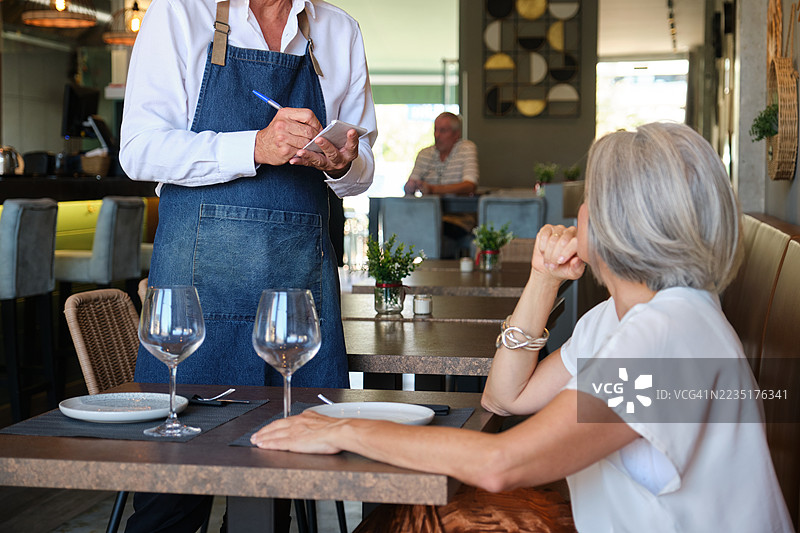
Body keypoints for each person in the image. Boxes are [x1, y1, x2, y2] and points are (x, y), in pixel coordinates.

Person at [251, 123, 794, 532]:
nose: (575, 216)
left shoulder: (669, 337)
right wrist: (542, 280)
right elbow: (505, 397)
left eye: (587, 204)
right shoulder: (625, 318)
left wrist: (343, 428)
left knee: (427, 517)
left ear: (617, 224)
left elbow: (501, 463)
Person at [119, 0, 376, 531]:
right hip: (196, 298)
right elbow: (139, 150)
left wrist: (344, 163)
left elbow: (363, 165)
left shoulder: (340, 31)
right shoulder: (179, 14)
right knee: (172, 492)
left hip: (296, 303)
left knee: (276, 489)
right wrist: (255, 146)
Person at [404, 112, 479, 258]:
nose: (437, 135)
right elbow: (410, 185)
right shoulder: (425, 154)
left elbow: (470, 185)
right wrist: (410, 186)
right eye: (435, 130)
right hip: (427, 217)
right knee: (410, 228)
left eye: (443, 130)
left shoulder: (466, 148)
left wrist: (433, 190)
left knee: (439, 236)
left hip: (458, 219)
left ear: (456, 134)